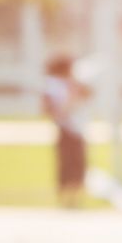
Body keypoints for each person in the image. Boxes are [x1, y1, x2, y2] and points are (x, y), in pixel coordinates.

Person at [39, 54, 88, 208]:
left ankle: (74, 197)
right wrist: (70, 100)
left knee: (78, 163)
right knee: (68, 163)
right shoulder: (53, 86)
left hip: (76, 128)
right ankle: (67, 198)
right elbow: (51, 109)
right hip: (66, 128)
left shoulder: (70, 84)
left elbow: (88, 93)